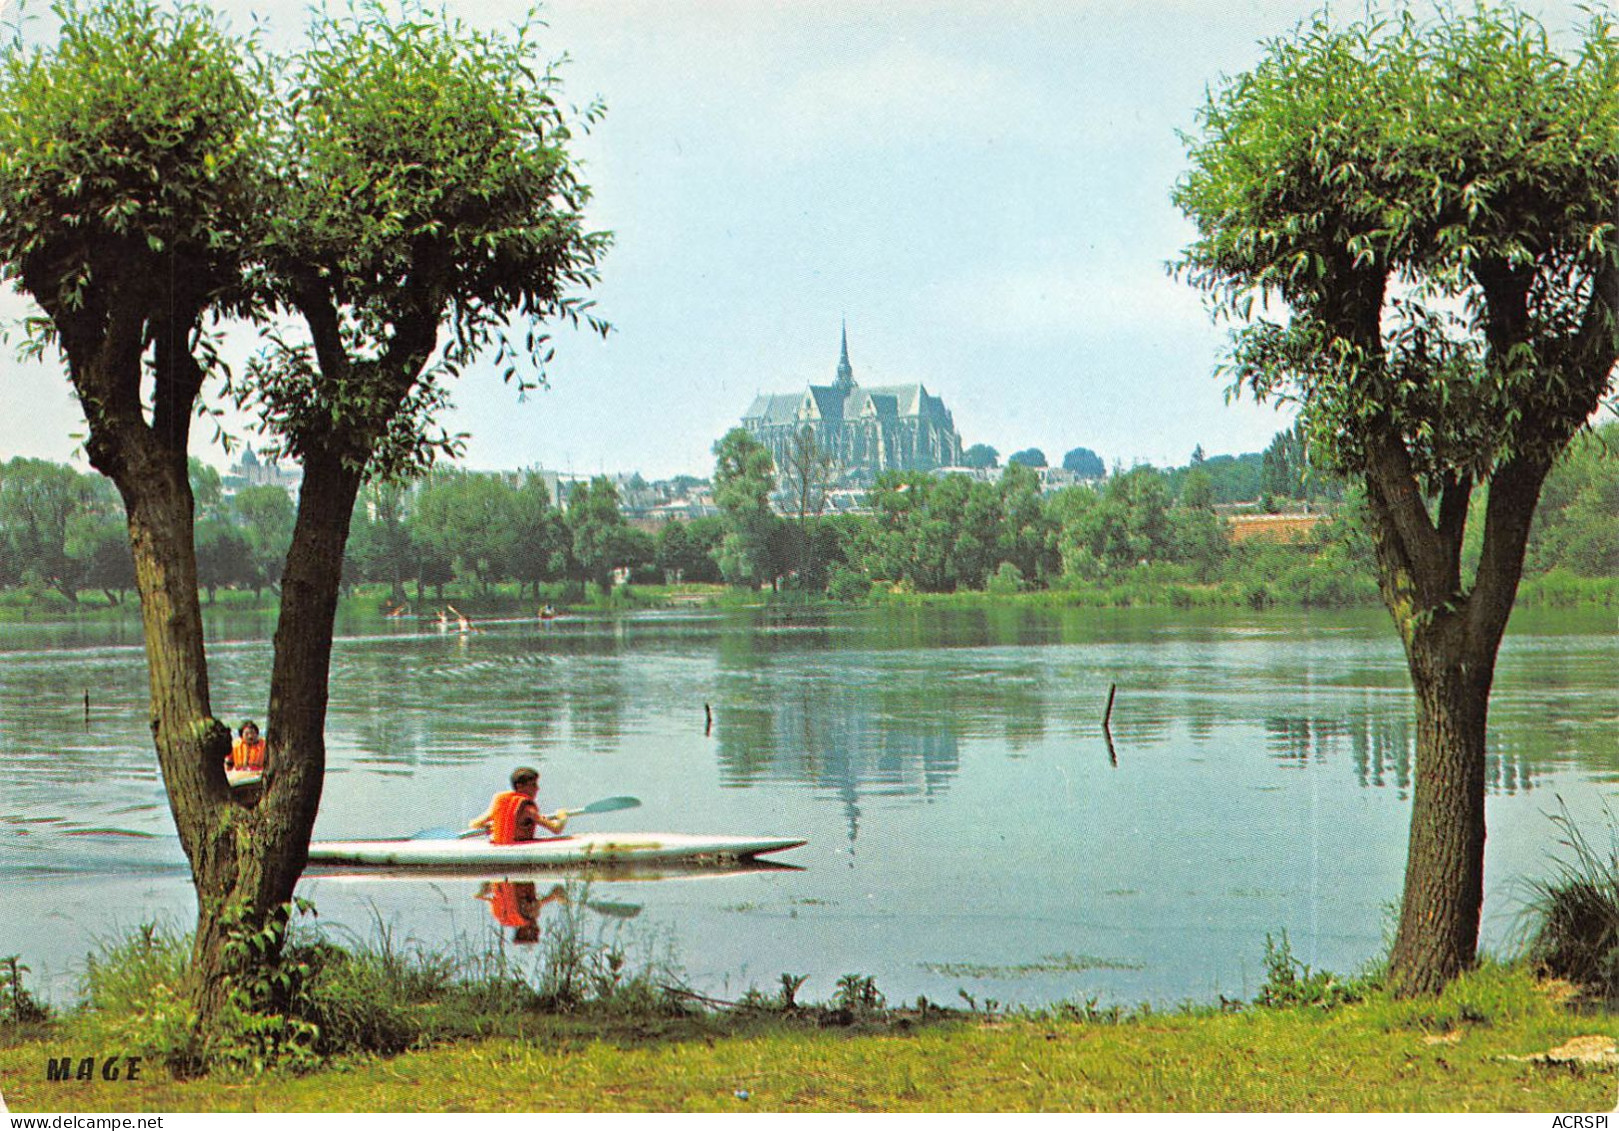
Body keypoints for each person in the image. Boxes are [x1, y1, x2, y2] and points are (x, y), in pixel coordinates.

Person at [469, 766, 568, 844]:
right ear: (519, 786)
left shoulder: (499, 803)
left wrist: (489, 825)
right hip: (517, 847)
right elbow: (556, 829)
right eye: (533, 785)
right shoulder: (527, 809)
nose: (537, 788)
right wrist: (562, 817)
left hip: (499, 846)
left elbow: (474, 824)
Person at [476, 880, 567, 944]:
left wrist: (554, 897)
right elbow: (495, 898)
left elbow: (558, 891)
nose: (538, 929)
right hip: (500, 880)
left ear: (524, 932)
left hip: (520, 876)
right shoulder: (502, 918)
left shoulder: (527, 915)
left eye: (535, 933)